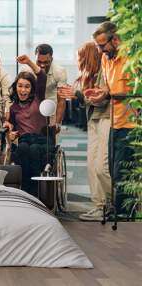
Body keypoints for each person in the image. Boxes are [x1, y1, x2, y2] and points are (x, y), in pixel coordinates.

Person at [58, 42, 111, 221]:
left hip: (106, 118)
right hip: (94, 120)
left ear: (88, 56)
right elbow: (88, 98)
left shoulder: (105, 72)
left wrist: (78, 95)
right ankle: (100, 205)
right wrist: (76, 94)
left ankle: (110, 204)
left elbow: (101, 100)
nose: (78, 59)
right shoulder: (90, 75)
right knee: (91, 165)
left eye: (80, 56)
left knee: (101, 167)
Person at [89, 21, 137, 216]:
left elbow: (132, 91)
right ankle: (116, 212)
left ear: (115, 40)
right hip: (114, 122)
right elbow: (109, 88)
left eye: (103, 45)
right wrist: (101, 94)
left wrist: (109, 94)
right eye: (98, 46)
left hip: (132, 124)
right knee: (113, 174)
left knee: (121, 173)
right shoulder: (106, 60)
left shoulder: (131, 59)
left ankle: (124, 216)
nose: (100, 50)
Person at [3, 55, 47, 196]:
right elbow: (13, 126)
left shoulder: (38, 98)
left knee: (33, 149)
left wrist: (28, 62)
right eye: (20, 86)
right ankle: (27, 188)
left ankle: (34, 189)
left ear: (32, 88)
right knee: (22, 148)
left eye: (27, 87)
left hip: (40, 139)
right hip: (24, 140)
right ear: (15, 87)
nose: (23, 90)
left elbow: (42, 76)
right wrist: (9, 129)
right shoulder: (14, 107)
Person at [24, 44, 67, 132]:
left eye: (46, 62)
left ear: (51, 59)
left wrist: (57, 123)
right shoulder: (26, 70)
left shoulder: (60, 71)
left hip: (51, 107)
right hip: (32, 107)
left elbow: (61, 100)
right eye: (39, 62)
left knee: (51, 141)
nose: (42, 65)